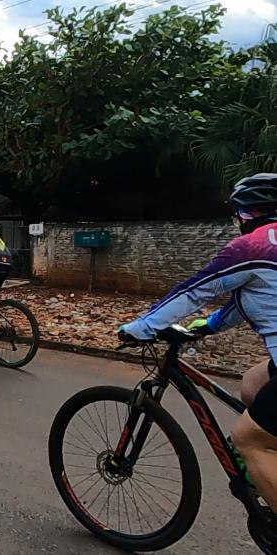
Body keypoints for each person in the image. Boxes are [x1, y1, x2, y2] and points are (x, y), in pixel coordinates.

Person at [119, 173, 277, 514]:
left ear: (245, 213)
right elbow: (257, 297)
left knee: (248, 440)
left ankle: (263, 456)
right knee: (252, 385)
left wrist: (141, 327)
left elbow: (195, 290)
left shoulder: (252, 245)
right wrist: (207, 325)